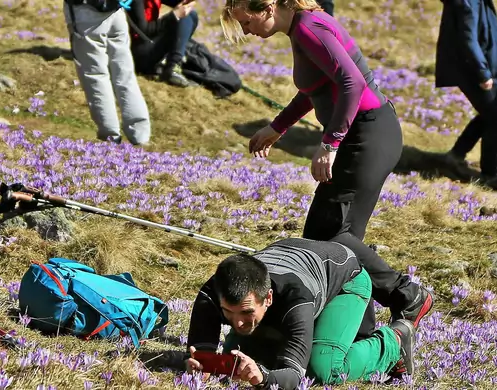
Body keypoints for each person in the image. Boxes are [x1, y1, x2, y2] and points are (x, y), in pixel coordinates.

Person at [220, 0, 433, 339]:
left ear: (268, 7)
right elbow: (314, 89)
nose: (246, 31)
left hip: (367, 134)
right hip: (364, 133)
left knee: (332, 236)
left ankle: (407, 295)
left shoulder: (308, 28)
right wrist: (278, 127)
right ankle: (359, 332)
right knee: (330, 241)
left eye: (247, 21)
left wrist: (330, 144)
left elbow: (352, 83)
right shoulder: (301, 27)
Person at [185, 235, 421, 389]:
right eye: (228, 313)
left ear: (267, 298)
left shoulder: (296, 298)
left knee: (323, 368)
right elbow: (203, 355)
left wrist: (264, 379)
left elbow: (293, 375)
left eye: (246, 313)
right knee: (236, 356)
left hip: (344, 280)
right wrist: (204, 365)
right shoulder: (213, 293)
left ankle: (393, 341)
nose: (237, 323)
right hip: (294, 260)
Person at [63, 0, 151, 146]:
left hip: (86, 15)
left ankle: (110, 135)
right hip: (116, 14)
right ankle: (140, 133)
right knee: (125, 75)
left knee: (96, 76)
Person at [435, 0, 497, 190]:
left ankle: (454, 157)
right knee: (495, 116)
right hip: (473, 70)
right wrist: (482, 73)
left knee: (491, 113)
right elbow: (467, 38)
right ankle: (490, 175)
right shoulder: (467, 2)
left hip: (483, 67)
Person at [127, 0, 199, 87]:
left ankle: (173, 65)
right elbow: (143, 31)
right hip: (136, 55)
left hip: (146, 45)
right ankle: (173, 67)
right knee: (185, 17)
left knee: (190, 15)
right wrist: (174, 15)